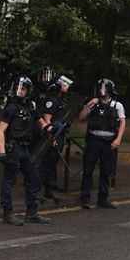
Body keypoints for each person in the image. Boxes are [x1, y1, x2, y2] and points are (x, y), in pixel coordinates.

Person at [0, 75, 51, 225]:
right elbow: (1, 130)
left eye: (23, 88)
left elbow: (41, 122)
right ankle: (7, 213)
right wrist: (2, 151)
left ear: (28, 90)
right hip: (13, 148)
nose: (20, 91)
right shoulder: (11, 107)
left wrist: (52, 128)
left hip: (25, 148)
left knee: (33, 177)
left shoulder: (31, 106)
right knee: (9, 180)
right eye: (18, 88)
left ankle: (31, 213)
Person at [78, 78, 127, 209]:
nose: (102, 90)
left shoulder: (117, 105)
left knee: (106, 171)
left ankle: (103, 199)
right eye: (100, 88)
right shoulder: (94, 103)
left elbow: (122, 122)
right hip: (93, 140)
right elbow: (81, 118)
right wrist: (88, 105)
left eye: (104, 88)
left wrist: (118, 139)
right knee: (88, 170)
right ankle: (85, 198)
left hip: (109, 142)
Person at [37, 75, 74, 203]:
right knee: (45, 165)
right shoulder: (52, 100)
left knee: (51, 164)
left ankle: (49, 190)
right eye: (65, 85)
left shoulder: (61, 100)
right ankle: (35, 191)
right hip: (53, 136)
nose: (67, 87)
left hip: (60, 135)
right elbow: (47, 120)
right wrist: (51, 137)